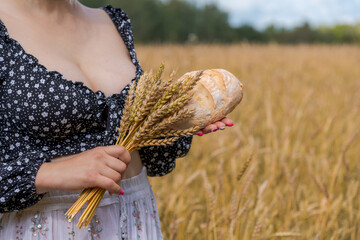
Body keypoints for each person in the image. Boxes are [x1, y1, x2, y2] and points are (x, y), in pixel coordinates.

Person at [0, 0, 234, 239]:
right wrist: (50, 173)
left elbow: (147, 154)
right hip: (51, 226)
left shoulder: (112, 21)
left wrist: (172, 123)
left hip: (137, 218)